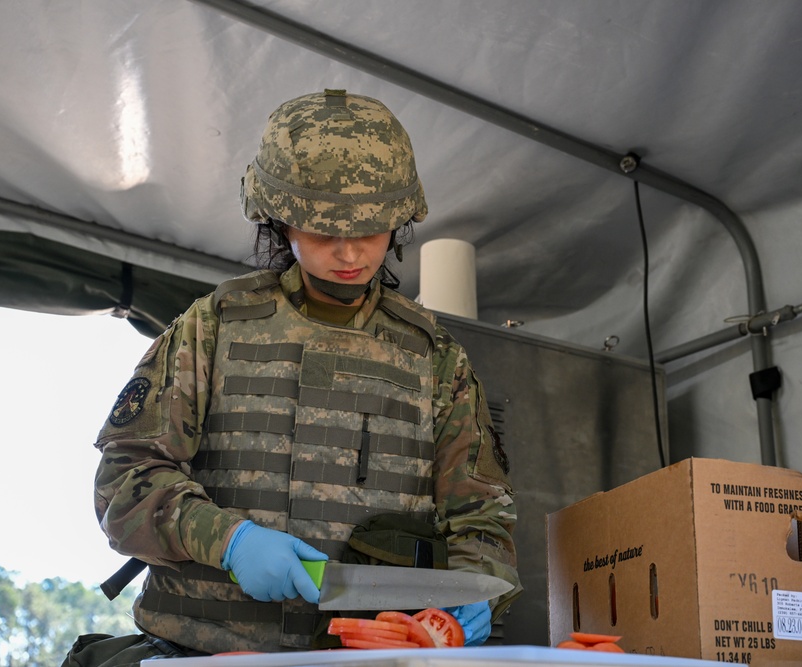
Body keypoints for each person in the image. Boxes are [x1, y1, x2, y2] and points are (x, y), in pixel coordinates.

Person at [92, 89, 522, 656]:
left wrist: (474, 594)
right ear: (279, 222)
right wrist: (229, 541)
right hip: (204, 651)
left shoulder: (434, 357)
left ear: (398, 220)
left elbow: (482, 515)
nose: (349, 253)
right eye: (323, 231)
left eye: (368, 228)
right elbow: (122, 484)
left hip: (365, 656)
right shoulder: (215, 327)